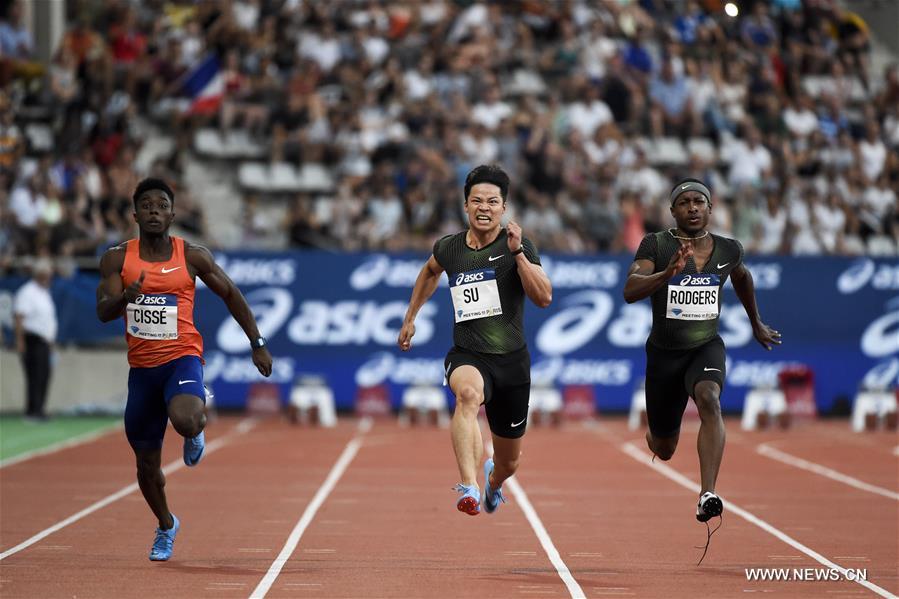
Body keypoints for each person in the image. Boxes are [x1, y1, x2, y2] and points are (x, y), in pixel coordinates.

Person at [95, 178, 272, 561]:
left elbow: (231, 294)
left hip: (182, 358)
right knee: (147, 467)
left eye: (161, 205)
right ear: (135, 214)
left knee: (188, 420)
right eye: (147, 205)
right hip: (142, 370)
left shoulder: (192, 256)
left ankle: (195, 429)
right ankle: (165, 525)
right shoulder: (116, 259)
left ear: (173, 214)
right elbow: (103, 311)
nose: (154, 211)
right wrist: (126, 298)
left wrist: (256, 343)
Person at [623, 178, 781, 525]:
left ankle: (707, 492)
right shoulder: (656, 245)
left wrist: (756, 321)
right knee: (664, 448)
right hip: (664, 355)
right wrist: (667, 273)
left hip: (705, 347)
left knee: (710, 398)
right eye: (684, 202)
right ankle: (656, 432)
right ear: (672, 211)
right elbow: (630, 290)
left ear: (710, 208)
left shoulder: (728, 249)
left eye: (699, 202)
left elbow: (741, 277)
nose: (692, 208)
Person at [398, 165, 552, 515]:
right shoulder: (450, 248)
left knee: (509, 462)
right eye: (477, 201)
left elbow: (544, 297)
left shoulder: (518, 244)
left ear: (503, 207)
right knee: (467, 395)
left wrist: (518, 254)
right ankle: (468, 485)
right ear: (466, 205)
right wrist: (410, 318)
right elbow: (429, 270)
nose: (485, 208)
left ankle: (492, 481)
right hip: (468, 354)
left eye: (493, 202)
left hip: (512, 362)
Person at [14, 258, 57, 422]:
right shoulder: (27, 292)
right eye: (47, 275)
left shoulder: (44, 293)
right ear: (39, 274)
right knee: (35, 376)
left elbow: (48, 321)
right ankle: (32, 411)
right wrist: (20, 341)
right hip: (32, 339)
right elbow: (19, 316)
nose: (49, 278)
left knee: (44, 375)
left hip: (44, 341)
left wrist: (51, 343)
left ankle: (39, 408)